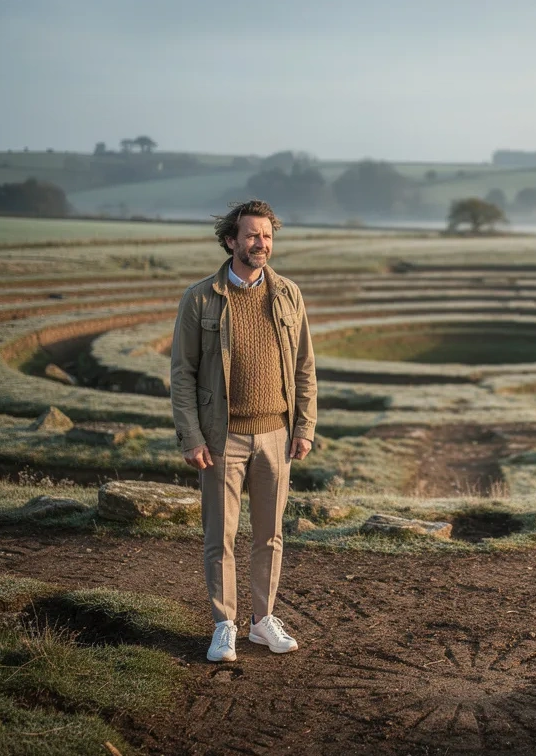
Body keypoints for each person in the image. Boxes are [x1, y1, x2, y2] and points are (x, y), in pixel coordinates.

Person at [170, 199, 317, 662]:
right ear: (231, 240)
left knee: (270, 535)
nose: (262, 243)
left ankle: (262, 620)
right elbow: (182, 374)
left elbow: (305, 367)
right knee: (222, 536)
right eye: (252, 235)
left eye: (268, 236)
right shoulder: (199, 299)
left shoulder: (289, 294)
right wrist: (191, 436)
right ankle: (224, 625)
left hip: (276, 433)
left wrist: (304, 426)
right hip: (222, 438)